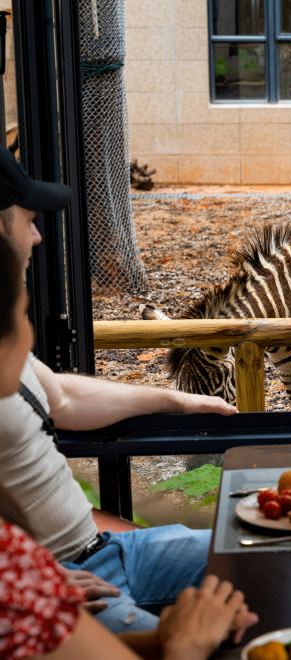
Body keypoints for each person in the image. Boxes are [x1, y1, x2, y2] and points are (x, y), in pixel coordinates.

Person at [0, 146, 239, 633]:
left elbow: (63, 399)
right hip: (59, 578)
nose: (39, 235)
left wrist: (175, 400)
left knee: (261, 551)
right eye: (28, 220)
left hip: (108, 550)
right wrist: (27, 589)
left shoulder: (6, 341)